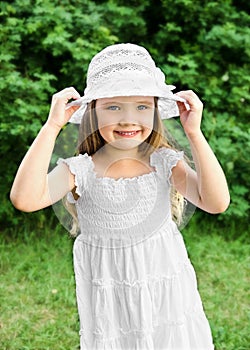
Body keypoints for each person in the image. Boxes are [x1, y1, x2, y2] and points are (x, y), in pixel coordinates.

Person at [10, 43, 230, 349]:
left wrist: (194, 133)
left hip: (165, 292)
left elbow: (217, 202)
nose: (129, 119)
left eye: (141, 106)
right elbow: (25, 199)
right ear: (93, 111)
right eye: (114, 107)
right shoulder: (80, 170)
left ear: (155, 110)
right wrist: (52, 126)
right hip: (112, 300)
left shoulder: (163, 161)